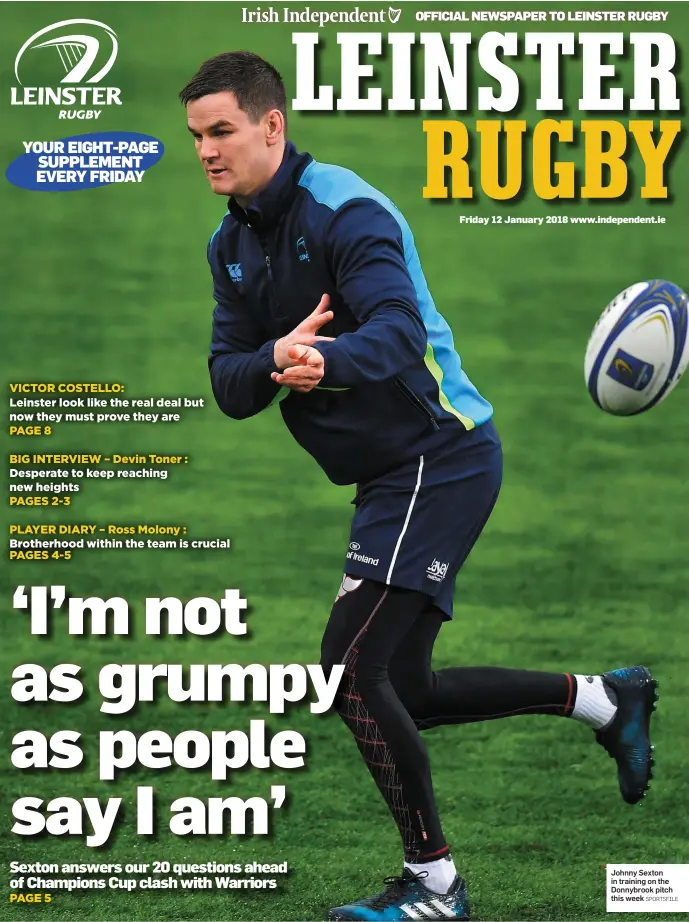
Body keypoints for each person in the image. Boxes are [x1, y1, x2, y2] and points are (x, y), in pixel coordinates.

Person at [180, 52, 658, 922]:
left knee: (349, 670)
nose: (207, 152)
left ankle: (433, 886)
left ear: (270, 126)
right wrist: (273, 357)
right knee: (409, 690)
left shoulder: (346, 211)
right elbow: (227, 381)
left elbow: (397, 336)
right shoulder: (231, 244)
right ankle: (603, 698)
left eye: (221, 132)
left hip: (440, 457)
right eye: (196, 137)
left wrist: (315, 357)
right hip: (386, 477)